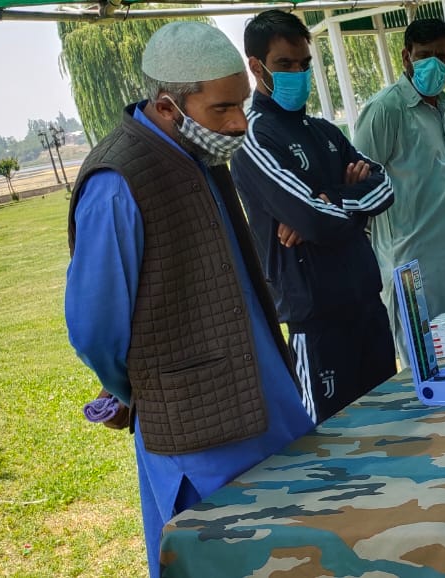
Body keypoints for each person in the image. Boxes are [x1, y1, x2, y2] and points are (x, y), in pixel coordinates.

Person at [64, 21, 313, 578]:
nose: (239, 123)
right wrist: (139, 388)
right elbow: (94, 330)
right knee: (222, 559)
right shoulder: (117, 183)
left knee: (299, 553)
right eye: (223, 108)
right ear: (167, 105)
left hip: (267, 409)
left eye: (241, 104)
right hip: (200, 435)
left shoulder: (197, 154)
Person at [231, 10, 397, 422]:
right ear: (256, 67)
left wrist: (329, 199)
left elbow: (385, 187)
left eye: (304, 64)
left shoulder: (324, 131)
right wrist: (340, 207)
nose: (297, 74)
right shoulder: (253, 137)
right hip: (318, 322)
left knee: (391, 426)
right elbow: (313, 218)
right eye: (284, 64)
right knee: (330, 442)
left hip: (367, 306)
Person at [354, 19, 445, 369]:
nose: (433, 64)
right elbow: (357, 188)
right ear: (406, 57)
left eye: (441, 57)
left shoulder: (440, 106)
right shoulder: (386, 109)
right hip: (418, 274)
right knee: (432, 369)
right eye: (424, 55)